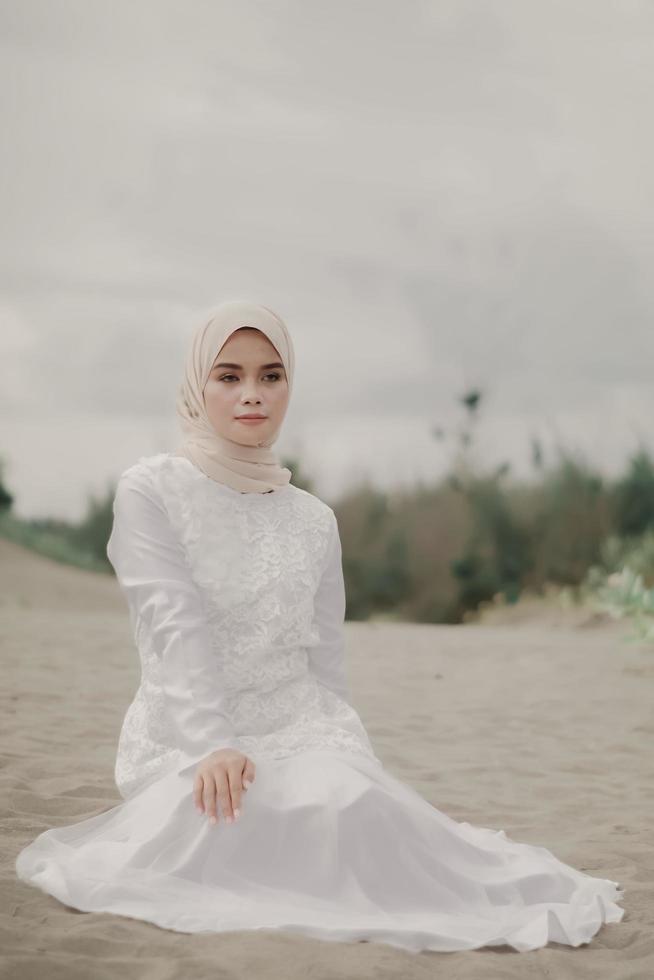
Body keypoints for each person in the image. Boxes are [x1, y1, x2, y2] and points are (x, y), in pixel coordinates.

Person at [15, 300, 625, 953]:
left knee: (349, 806)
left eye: (271, 376)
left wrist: (343, 748)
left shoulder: (314, 519)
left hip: (299, 724)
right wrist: (212, 743)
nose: (252, 394)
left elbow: (325, 658)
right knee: (231, 824)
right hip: (189, 733)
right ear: (198, 383)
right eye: (229, 376)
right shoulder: (152, 489)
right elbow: (173, 622)